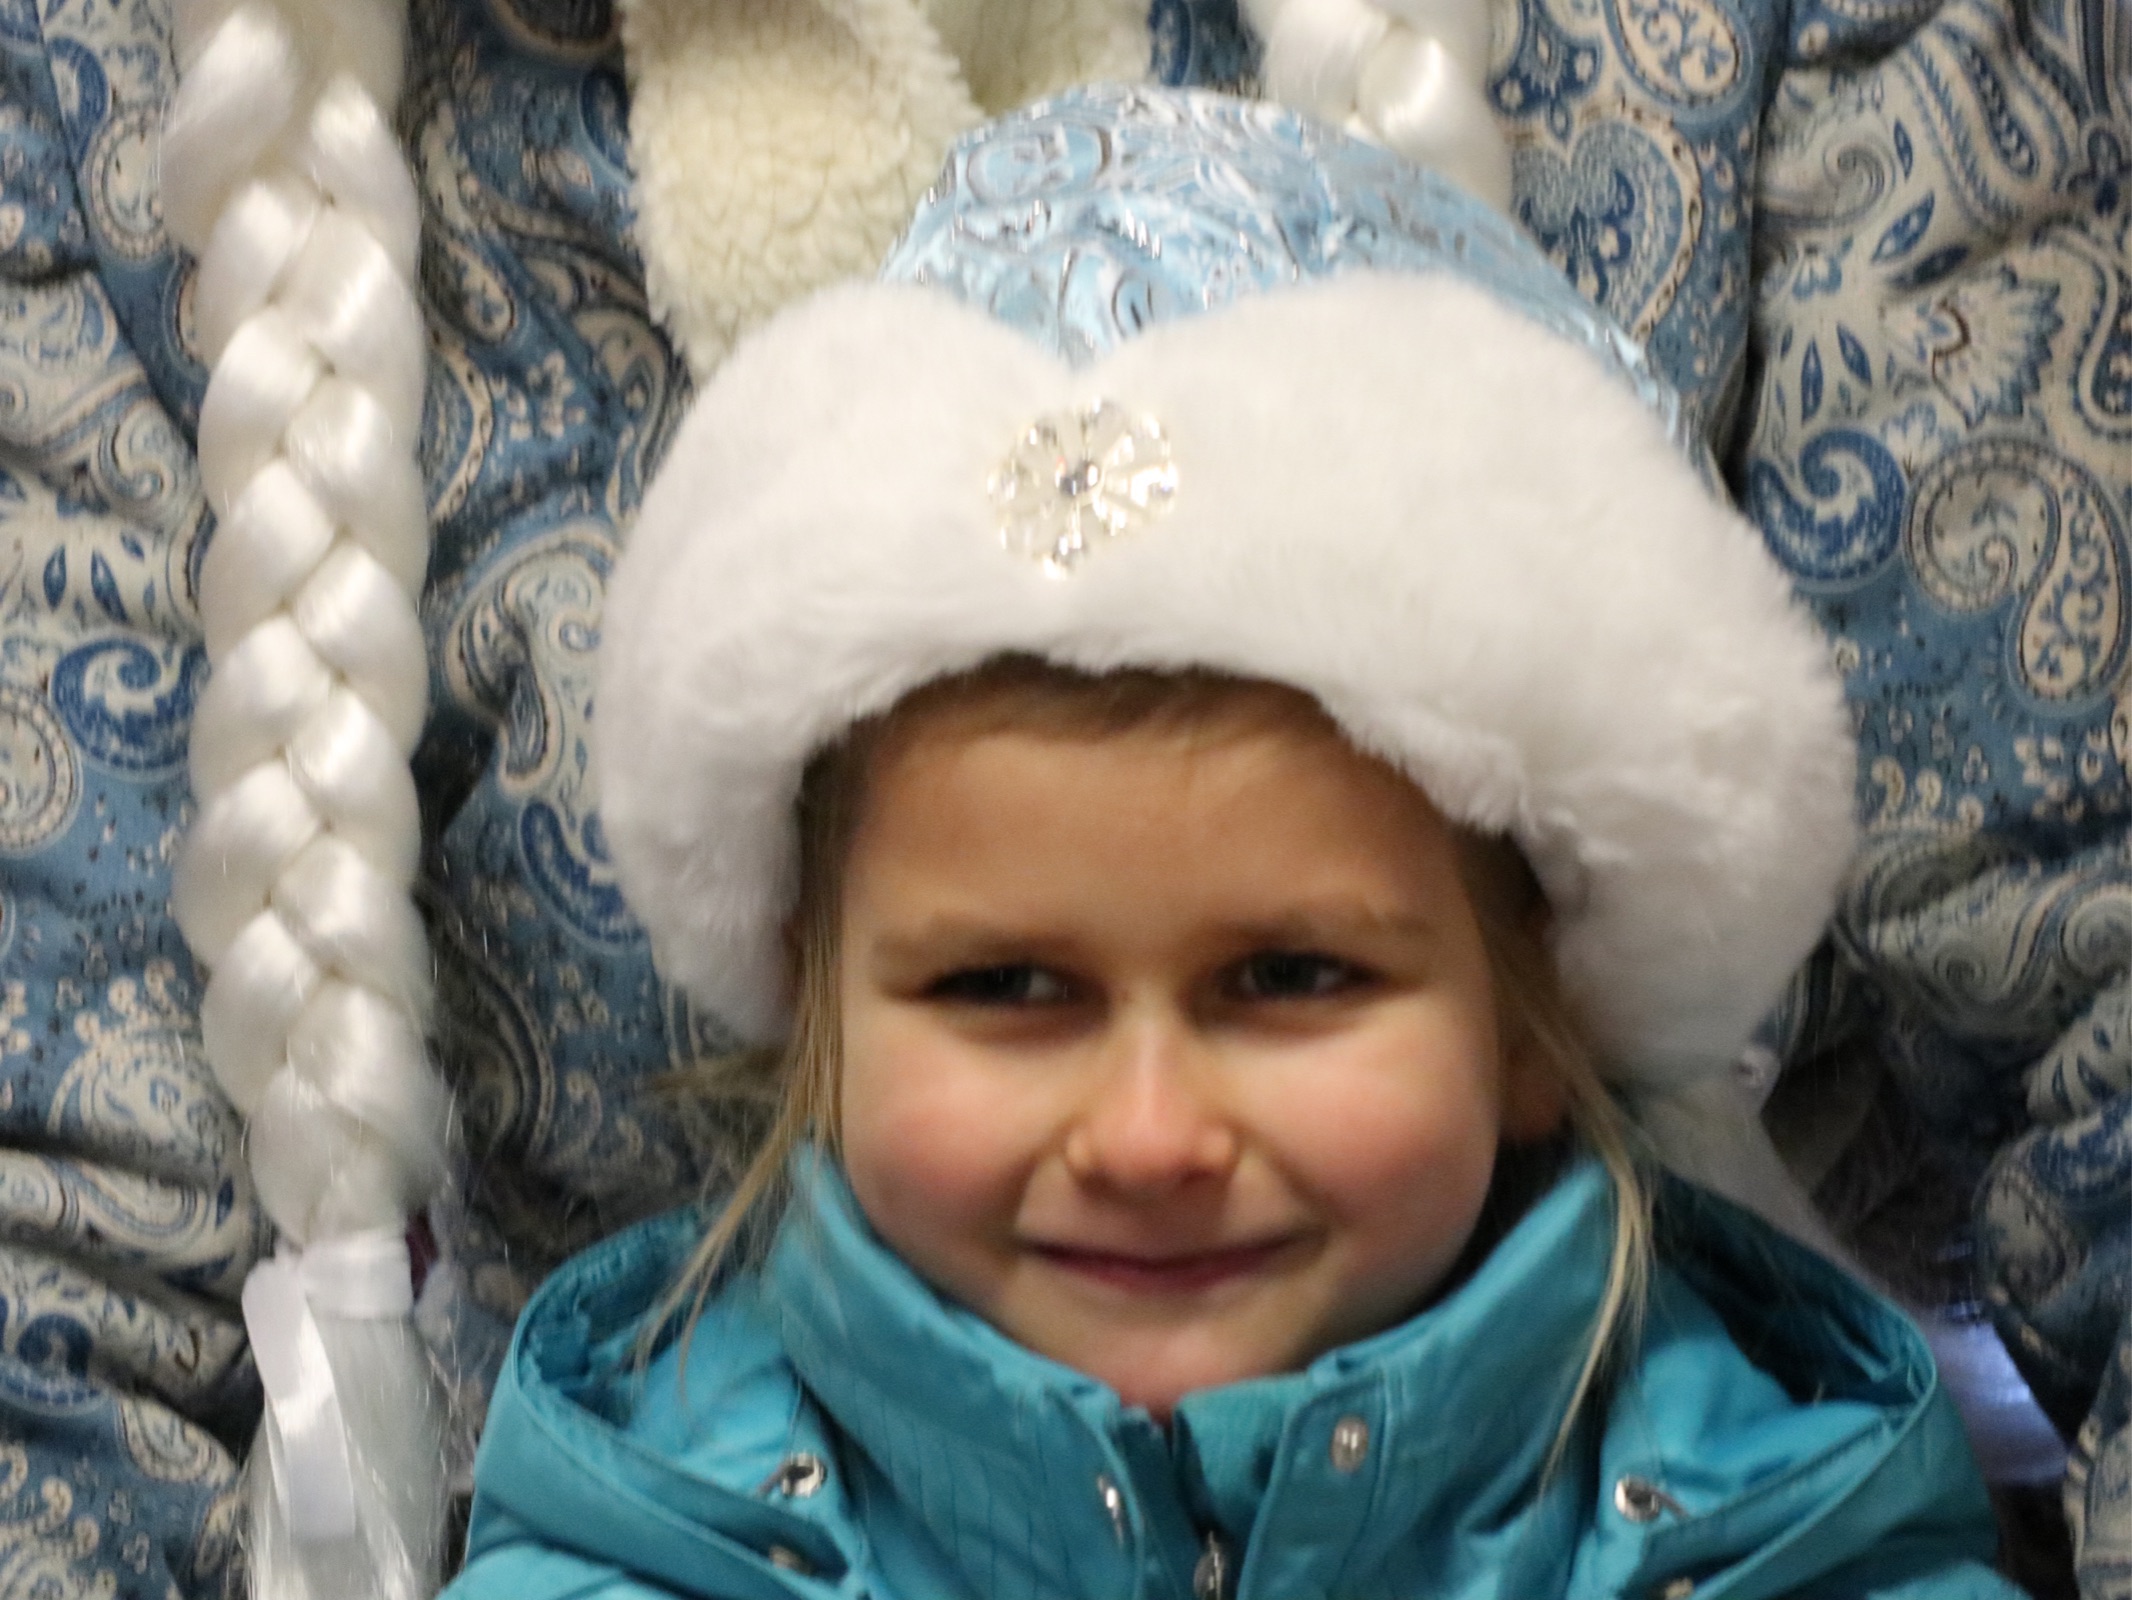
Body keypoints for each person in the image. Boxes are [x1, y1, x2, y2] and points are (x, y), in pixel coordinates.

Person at [439, 84, 2019, 1599]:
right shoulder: (634, 1556)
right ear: (817, 1011)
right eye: (1005, 986)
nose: (1148, 1141)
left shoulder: (1790, 1542)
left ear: (1538, 1015)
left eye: (1290, 976)